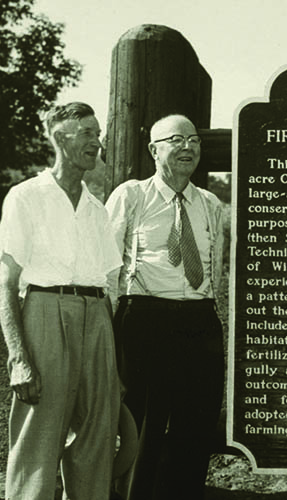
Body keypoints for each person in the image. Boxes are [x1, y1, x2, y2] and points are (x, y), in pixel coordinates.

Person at [0, 102, 122, 499]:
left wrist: (111, 361)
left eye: (98, 133)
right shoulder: (25, 197)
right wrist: (18, 358)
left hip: (98, 318)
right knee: (38, 439)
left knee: (96, 441)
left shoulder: (97, 209)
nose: (96, 142)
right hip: (45, 315)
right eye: (87, 133)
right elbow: (6, 283)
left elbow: (110, 283)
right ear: (59, 137)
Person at [106, 114, 225, 499]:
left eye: (194, 140)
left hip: (198, 319)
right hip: (144, 317)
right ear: (154, 149)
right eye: (176, 139)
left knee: (197, 421)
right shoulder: (132, 195)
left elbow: (215, 268)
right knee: (142, 422)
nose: (188, 147)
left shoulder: (209, 203)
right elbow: (107, 267)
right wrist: (109, 328)